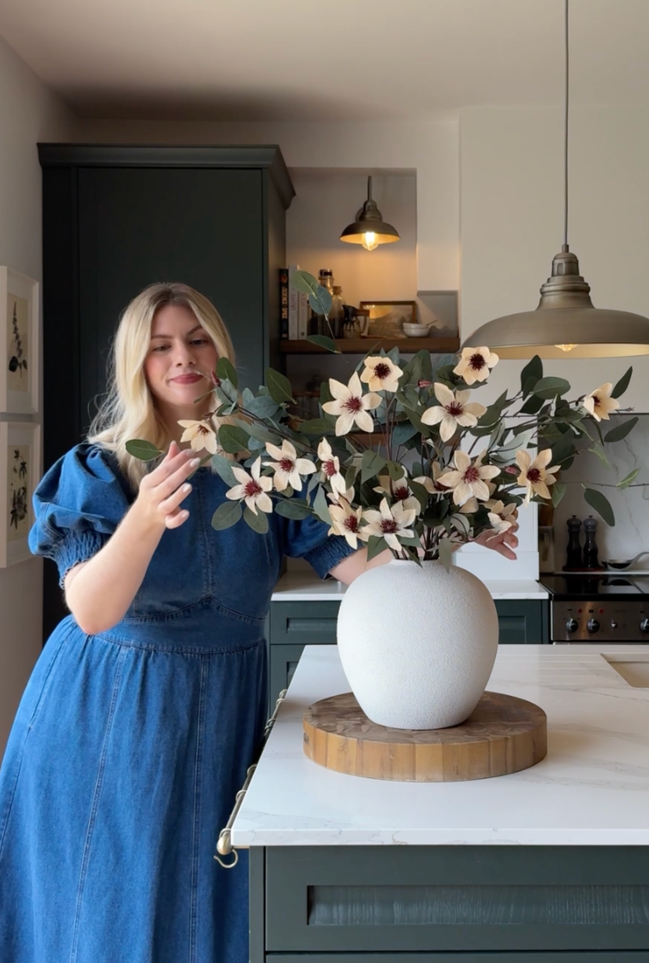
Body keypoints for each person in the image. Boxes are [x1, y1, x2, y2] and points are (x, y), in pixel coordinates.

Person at [0, 282, 518, 963]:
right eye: (160, 346)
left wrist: (445, 528)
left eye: (196, 339)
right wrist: (146, 518)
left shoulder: (267, 468)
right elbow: (93, 611)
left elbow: (366, 565)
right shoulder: (101, 468)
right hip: (108, 717)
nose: (182, 357)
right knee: (104, 907)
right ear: (138, 362)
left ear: (220, 350)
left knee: (206, 909)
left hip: (221, 714)